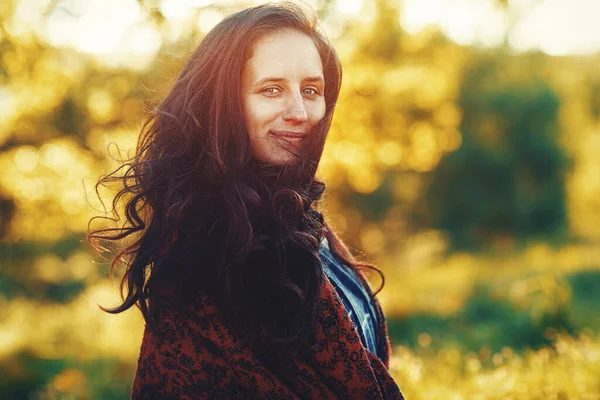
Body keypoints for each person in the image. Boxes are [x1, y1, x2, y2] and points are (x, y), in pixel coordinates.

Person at [87, 1, 404, 398]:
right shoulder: (208, 245)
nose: (299, 112)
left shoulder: (301, 220)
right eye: (271, 89)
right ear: (224, 104)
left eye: (311, 90)